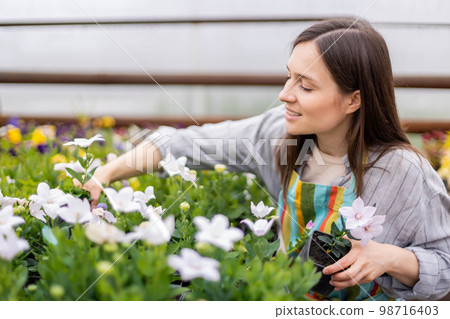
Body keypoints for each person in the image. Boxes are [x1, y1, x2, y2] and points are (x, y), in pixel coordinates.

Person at [82, 18, 450, 300]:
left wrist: (391, 259)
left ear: (354, 100)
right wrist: (109, 172)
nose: (285, 94)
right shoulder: (278, 135)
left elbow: (445, 265)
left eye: (305, 86)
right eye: (289, 78)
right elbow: (182, 145)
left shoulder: (403, 170)